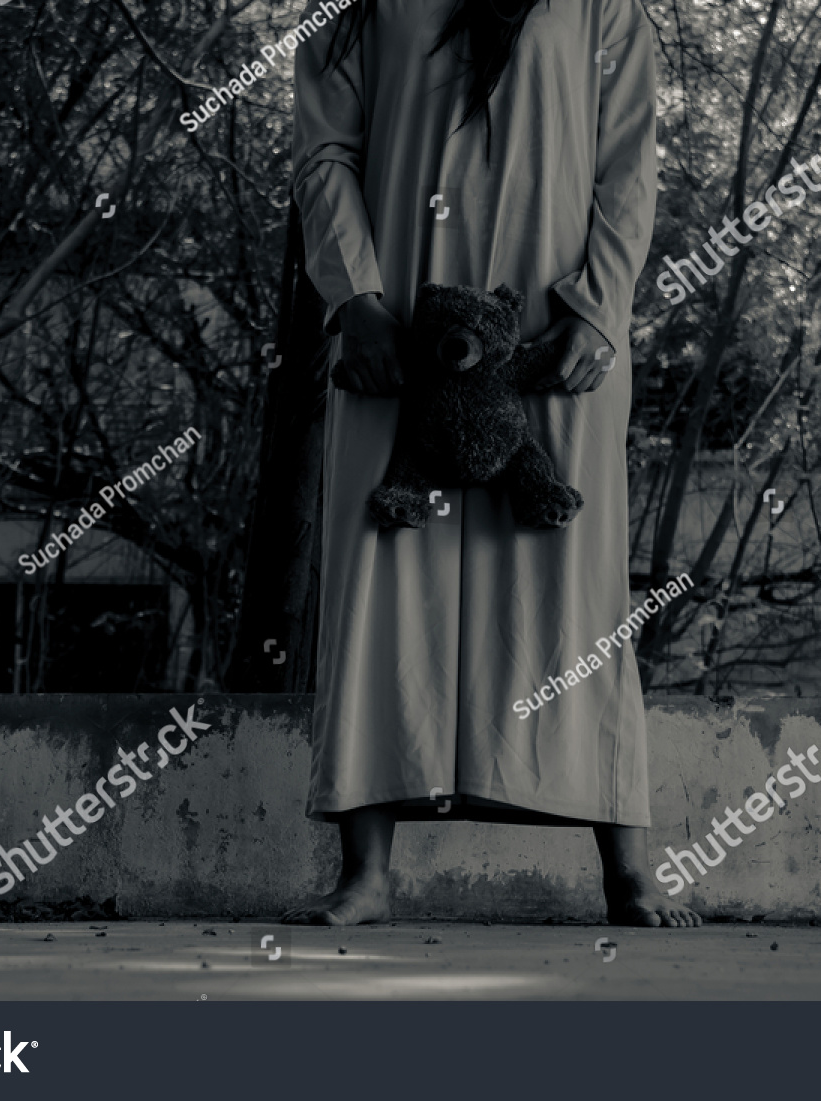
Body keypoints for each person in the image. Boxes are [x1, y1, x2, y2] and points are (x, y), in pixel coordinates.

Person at [282, 0, 699, 929]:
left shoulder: (600, 5)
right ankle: (367, 873)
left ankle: (627, 872)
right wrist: (354, 300)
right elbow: (324, 154)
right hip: (395, 339)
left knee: (572, 578)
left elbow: (629, 158)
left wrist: (600, 309)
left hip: (551, 336)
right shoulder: (360, 6)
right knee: (382, 571)